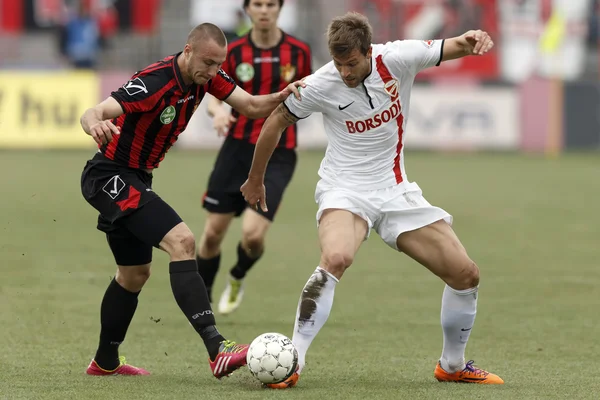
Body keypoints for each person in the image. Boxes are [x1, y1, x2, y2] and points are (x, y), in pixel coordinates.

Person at [241, 12, 504, 388]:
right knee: (336, 258)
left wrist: (476, 38)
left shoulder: (398, 58)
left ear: (368, 52)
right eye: (338, 63)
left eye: (351, 64)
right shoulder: (319, 84)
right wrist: (255, 179)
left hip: (396, 190)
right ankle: (293, 362)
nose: (344, 73)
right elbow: (275, 122)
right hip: (344, 190)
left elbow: (456, 44)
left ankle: (452, 365)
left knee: (465, 274)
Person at [79, 23, 304, 378]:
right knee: (182, 240)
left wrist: (281, 96)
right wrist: (94, 124)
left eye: (219, 64)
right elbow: (94, 112)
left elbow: (249, 105)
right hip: (109, 175)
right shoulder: (155, 81)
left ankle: (104, 362)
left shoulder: (205, 78)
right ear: (187, 51)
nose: (214, 72)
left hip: (136, 177)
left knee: (134, 274)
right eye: (208, 63)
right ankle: (217, 349)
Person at [196, 0, 312, 315]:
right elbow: (211, 91)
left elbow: (312, 95)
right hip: (236, 150)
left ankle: (237, 276)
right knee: (211, 235)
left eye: (270, 4)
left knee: (252, 236)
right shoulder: (232, 53)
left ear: (280, 8)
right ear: (247, 9)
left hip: (279, 152)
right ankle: (202, 298)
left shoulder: (299, 52)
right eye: (257, 4)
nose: (264, 10)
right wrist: (218, 111)